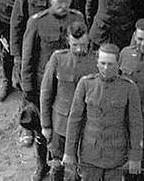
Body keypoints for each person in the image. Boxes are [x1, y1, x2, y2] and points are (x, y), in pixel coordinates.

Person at [21, 0, 86, 181]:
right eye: (59, 2)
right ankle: (42, 165)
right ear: (50, 1)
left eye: (66, 2)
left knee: (66, 128)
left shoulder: (77, 18)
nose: (63, 5)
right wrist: (28, 89)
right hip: (43, 85)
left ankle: (66, 165)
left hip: (69, 85)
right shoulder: (37, 21)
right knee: (43, 129)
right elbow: (28, 56)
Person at [64, 43, 143, 180]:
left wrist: (135, 156)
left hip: (116, 156)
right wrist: (69, 152)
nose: (106, 68)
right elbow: (74, 120)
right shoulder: (86, 84)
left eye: (110, 64)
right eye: (103, 63)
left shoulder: (129, 88)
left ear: (118, 64)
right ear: (97, 63)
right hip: (90, 155)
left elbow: (135, 124)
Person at [40, 20, 96, 181]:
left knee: (83, 167)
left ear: (89, 41)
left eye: (83, 45)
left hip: (87, 125)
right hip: (61, 123)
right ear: (68, 42)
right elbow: (46, 92)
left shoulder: (97, 61)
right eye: (74, 45)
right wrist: (46, 125)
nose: (79, 49)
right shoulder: (58, 59)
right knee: (58, 165)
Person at [119, 18, 144, 177]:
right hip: (124, 124)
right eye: (139, 39)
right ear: (134, 35)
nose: (142, 43)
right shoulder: (125, 54)